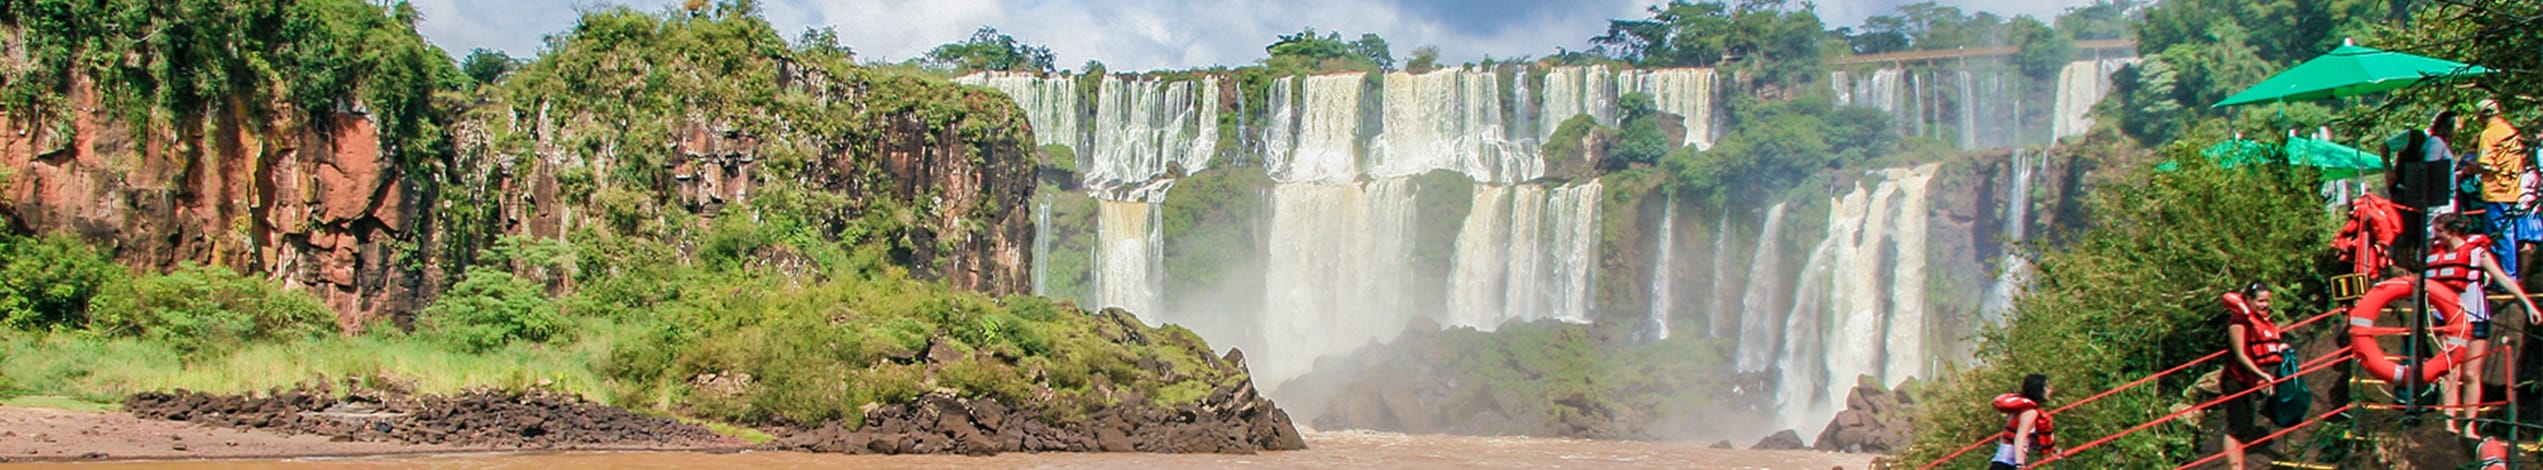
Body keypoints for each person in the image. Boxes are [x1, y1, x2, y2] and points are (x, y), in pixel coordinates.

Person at [2426, 212, 2542, 438]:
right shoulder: (2433, 255)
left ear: (2452, 231)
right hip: (2446, 320)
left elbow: (2504, 279)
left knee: (2471, 373)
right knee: (2450, 372)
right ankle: (2449, 424)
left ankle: (2470, 425)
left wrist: (2529, 306)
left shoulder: (2477, 253)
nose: (2435, 235)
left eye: (2439, 231)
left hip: (2475, 318)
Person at [2221, 283, 2288, 470]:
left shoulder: (2259, 320)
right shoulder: (2238, 320)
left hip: (2251, 379)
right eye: (2260, 301)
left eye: (2267, 301)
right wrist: (2262, 375)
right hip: (2236, 379)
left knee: (2245, 427)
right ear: (2249, 300)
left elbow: (2262, 346)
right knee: (2236, 428)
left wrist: (2280, 349)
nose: (2264, 305)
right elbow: (2241, 354)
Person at [2474, 98, 2536, 276]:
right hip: (2512, 189)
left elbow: (2485, 164)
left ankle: (2506, 277)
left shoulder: (2489, 134)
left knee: (2500, 236)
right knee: (2507, 234)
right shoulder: (2510, 131)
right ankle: (2507, 275)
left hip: (2496, 191)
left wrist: (2473, 168)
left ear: (2480, 116)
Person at [1990, 374, 2055, 470]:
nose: (2051, 391)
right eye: (2047, 387)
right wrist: (2020, 465)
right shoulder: (2030, 412)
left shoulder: (2020, 408)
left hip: (2001, 462)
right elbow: (2019, 438)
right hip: (2007, 464)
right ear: (2039, 390)